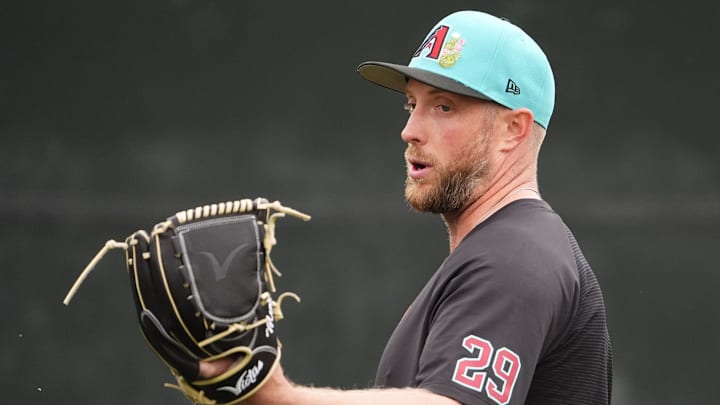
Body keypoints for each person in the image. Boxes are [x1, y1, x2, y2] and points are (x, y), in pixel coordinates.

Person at [202, 9, 612, 404]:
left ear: (512, 129)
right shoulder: (505, 251)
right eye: (411, 104)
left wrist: (276, 399)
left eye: (443, 106)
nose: (410, 130)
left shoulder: (515, 260)